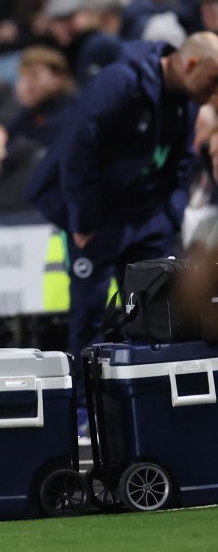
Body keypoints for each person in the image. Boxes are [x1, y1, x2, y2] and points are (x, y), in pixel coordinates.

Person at [26, 32, 218, 439]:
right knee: (92, 313)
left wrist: (171, 213)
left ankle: (156, 407)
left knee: (160, 317)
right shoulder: (121, 80)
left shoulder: (185, 99)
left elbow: (183, 162)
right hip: (97, 221)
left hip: (148, 219)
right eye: (213, 82)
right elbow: (78, 147)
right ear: (190, 66)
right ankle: (85, 412)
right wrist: (82, 220)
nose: (215, 93)